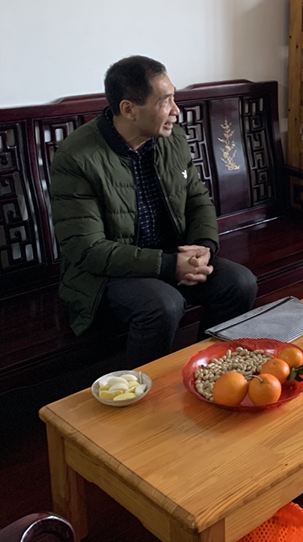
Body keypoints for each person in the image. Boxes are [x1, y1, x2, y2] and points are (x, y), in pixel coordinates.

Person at [50, 56, 258, 366]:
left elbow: (197, 199)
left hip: (169, 257)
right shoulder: (77, 157)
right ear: (129, 109)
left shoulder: (171, 139)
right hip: (106, 274)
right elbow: (88, 249)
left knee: (240, 283)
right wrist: (169, 265)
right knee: (163, 305)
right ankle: (146, 389)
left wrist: (203, 246)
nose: (176, 110)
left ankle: (208, 369)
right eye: (165, 101)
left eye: (174, 97)